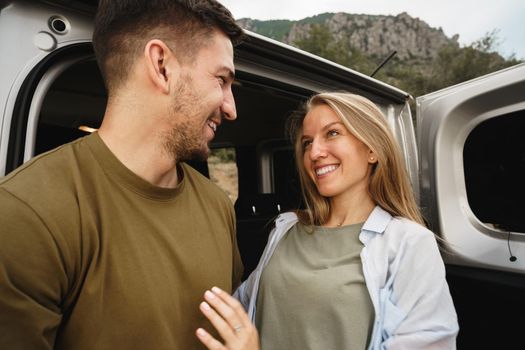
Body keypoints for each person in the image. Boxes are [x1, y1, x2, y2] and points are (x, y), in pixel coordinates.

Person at [0, 1, 245, 349]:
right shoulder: (27, 212)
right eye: (222, 80)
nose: (231, 108)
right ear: (161, 66)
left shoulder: (218, 207)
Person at [197, 92, 459, 349]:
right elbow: (242, 308)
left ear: (372, 150)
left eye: (332, 133)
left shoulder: (409, 243)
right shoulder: (285, 229)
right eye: (307, 143)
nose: (314, 153)